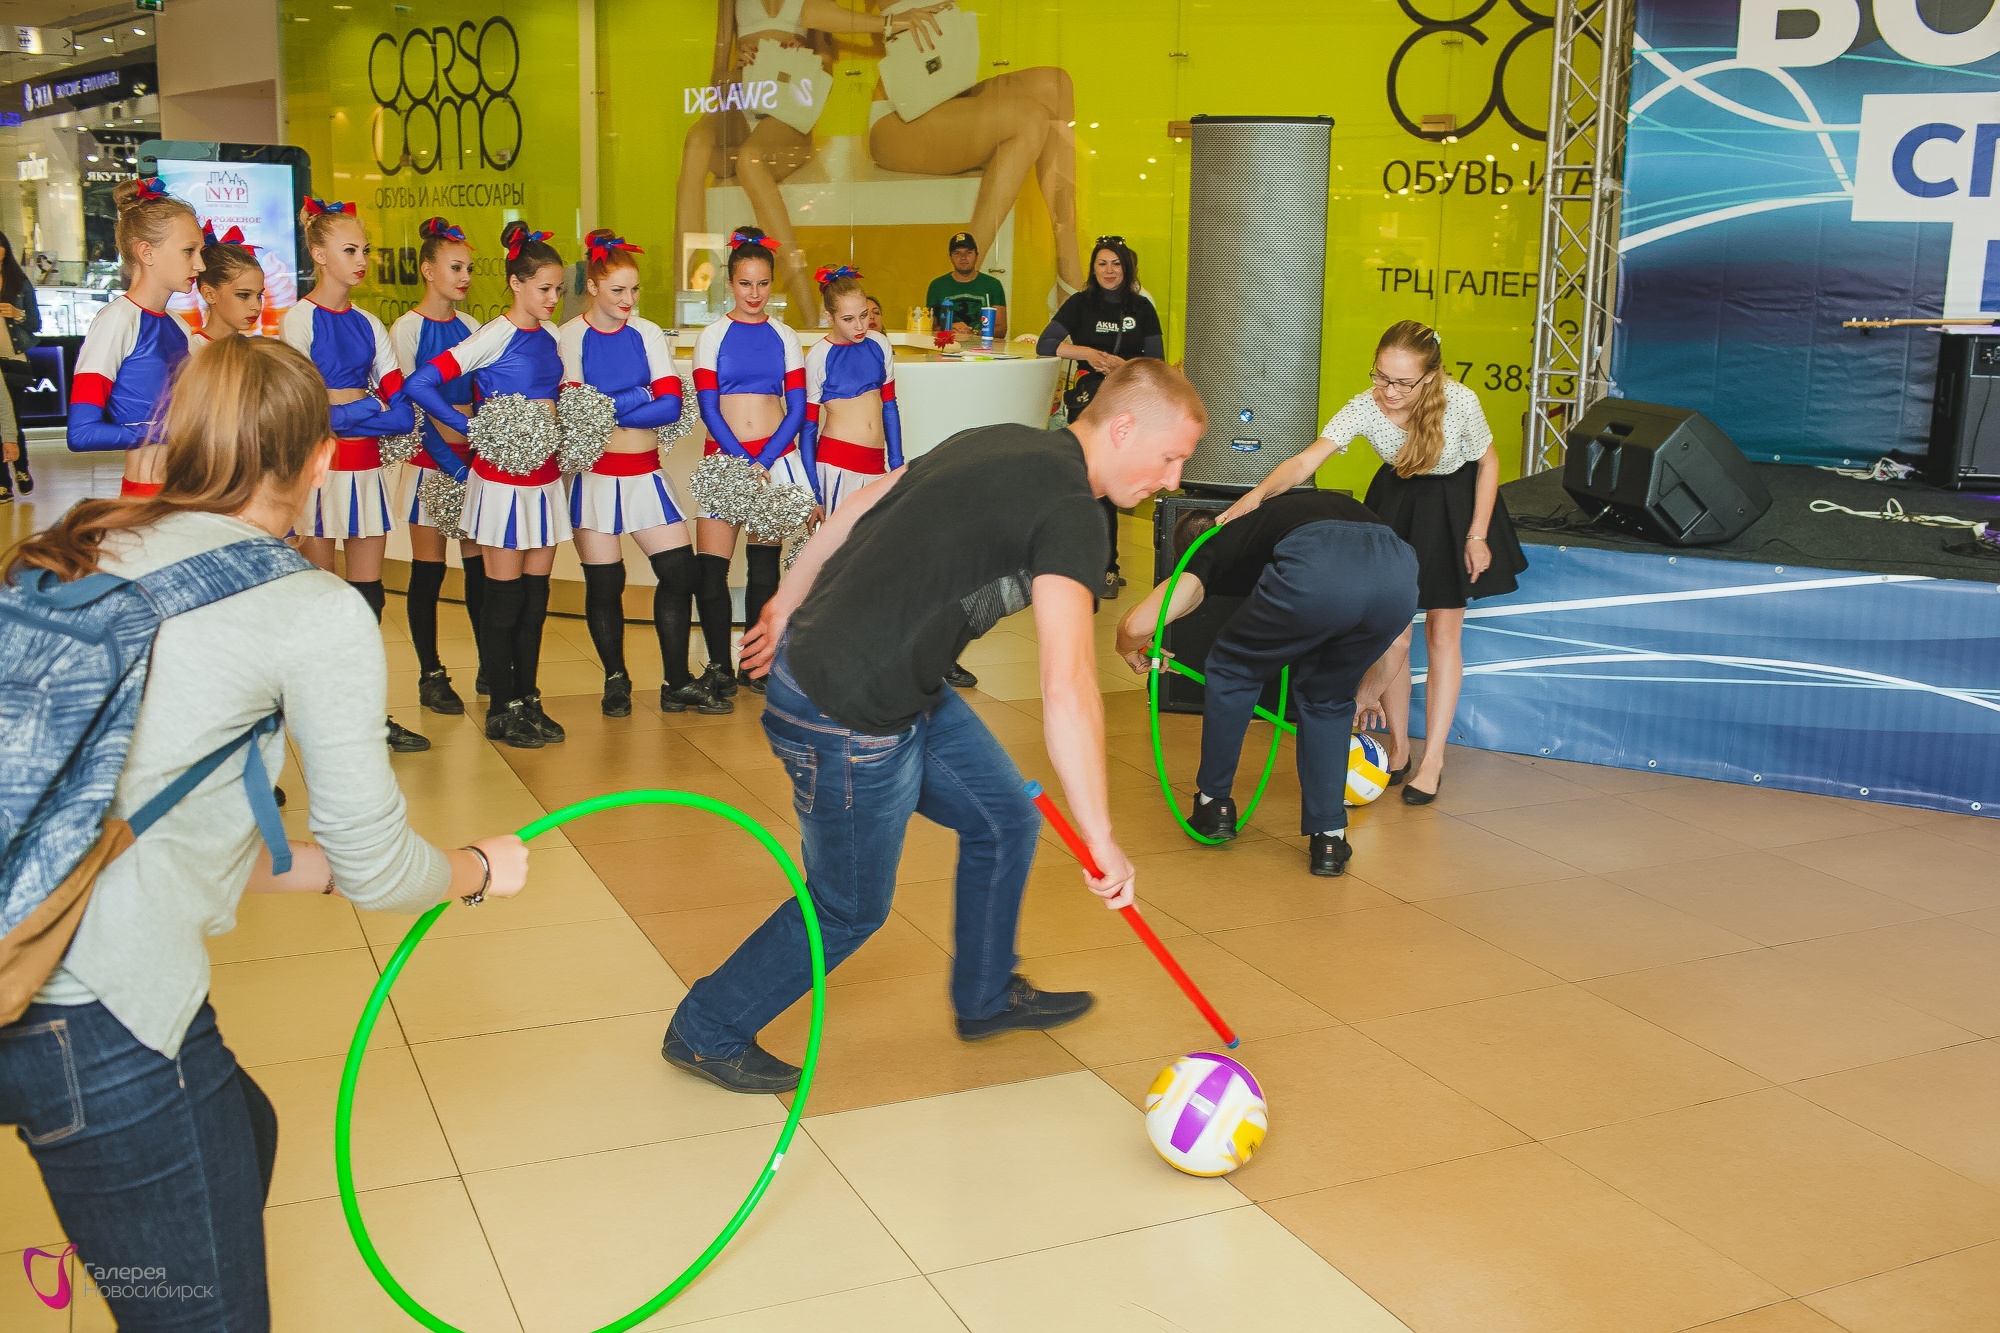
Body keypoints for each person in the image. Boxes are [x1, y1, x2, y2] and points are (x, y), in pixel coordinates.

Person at [0, 334, 530, 1328]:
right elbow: (379, 865)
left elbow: (153, 814)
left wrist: (311, 872)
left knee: (245, 1125)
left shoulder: (81, 543)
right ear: (322, 459)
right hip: (94, 1004)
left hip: (18, 948)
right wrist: (475, 868)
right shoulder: (308, 607)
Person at [661, 357, 1203, 1092]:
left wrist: (788, 601)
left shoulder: (1002, 438)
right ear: (1125, 427)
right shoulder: (1073, 511)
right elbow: (1068, 682)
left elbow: (863, 501)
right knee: (849, 907)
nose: (1173, 480)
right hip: (845, 713)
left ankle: (985, 994)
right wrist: (1101, 837)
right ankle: (706, 1028)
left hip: (880, 680)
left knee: (1006, 817)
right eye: (1171, 458)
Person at [1222, 319, 1527, 804]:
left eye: (1403, 382)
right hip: (1398, 503)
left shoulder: (1460, 401)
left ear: (1430, 377)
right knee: (1391, 631)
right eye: (1381, 377)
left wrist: (1478, 534)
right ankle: (1399, 748)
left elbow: (1488, 462)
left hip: (1454, 508)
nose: (1389, 391)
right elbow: (1305, 461)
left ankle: (1433, 760)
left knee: (1442, 634)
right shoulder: (1366, 406)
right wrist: (1256, 495)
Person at [1115, 496, 1417, 876]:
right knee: (1327, 702)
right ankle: (1329, 839)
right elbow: (1400, 642)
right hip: (1400, 571)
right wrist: (1368, 693)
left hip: (1317, 567)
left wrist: (1127, 647)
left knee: (1232, 669)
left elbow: (1137, 625)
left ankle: (1213, 805)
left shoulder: (1211, 545)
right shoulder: (1284, 518)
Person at [404, 221, 570, 751]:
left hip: (544, 480)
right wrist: (475, 429)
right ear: (516, 283)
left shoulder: (553, 338)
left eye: (558, 289)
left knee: (536, 598)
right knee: (504, 596)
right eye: (543, 288)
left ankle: (528, 697)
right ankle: (501, 707)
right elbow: (419, 383)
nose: (553, 299)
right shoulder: (492, 335)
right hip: (500, 484)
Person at [676, 0, 940, 323]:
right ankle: (682, 308)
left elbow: (826, 65)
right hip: (742, 104)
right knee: (696, 141)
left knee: (750, 160)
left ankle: (809, 311)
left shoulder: (812, 6)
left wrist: (804, 60)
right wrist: (734, 72)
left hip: (788, 112)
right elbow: (717, 74)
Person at [279, 198, 428, 756]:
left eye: (365, 250)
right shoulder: (298, 319)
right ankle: (322, 717)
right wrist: (362, 409)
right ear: (319, 255)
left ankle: (370, 715)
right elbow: (300, 407)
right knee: (321, 600)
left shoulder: (370, 323)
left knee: (368, 600)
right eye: (349, 250)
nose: (362, 260)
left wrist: (344, 411)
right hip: (318, 470)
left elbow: (403, 413)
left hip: (365, 470)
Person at [561, 228, 729, 718]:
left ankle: (676, 681)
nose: (629, 300)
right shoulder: (569, 336)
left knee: (680, 572)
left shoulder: (648, 332)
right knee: (605, 585)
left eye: (634, 290)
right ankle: (615, 679)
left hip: (645, 474)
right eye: (618, 290)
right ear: (593, 286)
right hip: (594, 478)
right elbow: (576, 413)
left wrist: (608, 406)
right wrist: (638, 396)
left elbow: (671, 406)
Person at [806, 264, 978, 689]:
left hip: (877, 466)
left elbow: (889, 407)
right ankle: (832, 658)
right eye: (849, 318)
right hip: (836, 465)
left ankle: (916, 654)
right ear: (829, 317)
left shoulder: (880, 344)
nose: (860, 325)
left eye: (865, 315)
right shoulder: (818, 356)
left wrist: (898, 466)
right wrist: (811, 489)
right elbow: (807, 427)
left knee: (895, 558)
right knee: (837, 564)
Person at [689, 225, 813, 699]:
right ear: (730, 282)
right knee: (711, 570)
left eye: (762, 284)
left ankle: (755, 666)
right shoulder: (712, 335)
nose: (754, 294)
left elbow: (797, 409)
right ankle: (719, 668)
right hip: (725, 460)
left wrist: (763, 460)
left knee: (764, 569)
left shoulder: (785, 337)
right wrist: (743, 460)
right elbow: (708, 407)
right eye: (745, 283)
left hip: (774, 459)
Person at [868, 58, 1082, 305]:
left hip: (949, 93)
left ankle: (1069, 273)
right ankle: (963, 281)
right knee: (1029, 118)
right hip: (899, 115)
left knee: (1056, 84)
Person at [390, 216, 483, 717]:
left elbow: (482, 395)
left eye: (468, 268)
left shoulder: (472, 328)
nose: (465, 277)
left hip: (472, 463)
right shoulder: (405, 329)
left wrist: (476, 463)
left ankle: (491, 665)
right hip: (430, 464)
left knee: (480, 571)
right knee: (429, 572)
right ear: (428, 270)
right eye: (455, 267)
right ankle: (430, 673)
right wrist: (450, 465)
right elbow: (410, 407)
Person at [1038, 237, 1163, 598]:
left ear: (1127, 268)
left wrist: (1125, 366)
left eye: (1116, 264)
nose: (1109, 271)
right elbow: (1046, 344)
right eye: (1102, 264)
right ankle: (1081, 565)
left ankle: (1107, 567)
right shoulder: (1080, 303)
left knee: (1110, 485)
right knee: (1085, 481)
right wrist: (1088, 354)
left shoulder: (1141, 307)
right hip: (1088, 401)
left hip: (1126, 400)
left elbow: (1156, 360)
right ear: (1093, 268)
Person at [67, 178, 202, 500]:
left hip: (187, 490)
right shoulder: (117, 320)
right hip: (145, 496)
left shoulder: (178, 325)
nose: (200, 264)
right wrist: (163, 431)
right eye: (189, 251)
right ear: (146, 252)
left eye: (200, 251)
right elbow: (82, 433)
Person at [0, 228, 41, 497]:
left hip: (13, 360)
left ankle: (21, 468)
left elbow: (36, 323)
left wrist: (17, 313)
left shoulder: (19, 282)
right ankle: (3, 481)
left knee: (11, 419)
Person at [925, 231, 1007, 343]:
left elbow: (1001, 330)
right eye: (957, 253)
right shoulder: (937, 286)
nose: (963, 257)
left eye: (968, 252)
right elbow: (929, 328)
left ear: (976, 255)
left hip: (983, 348)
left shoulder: (993, 285)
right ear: (950, 257)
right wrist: (950, 329)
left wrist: (973, 333)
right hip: (947, 347)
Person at [194, 221, 264, 341]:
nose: (257, 306)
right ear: (209, 294)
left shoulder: (256, 349)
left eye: (259, 295)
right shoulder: (191, 349)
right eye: (244, 295)